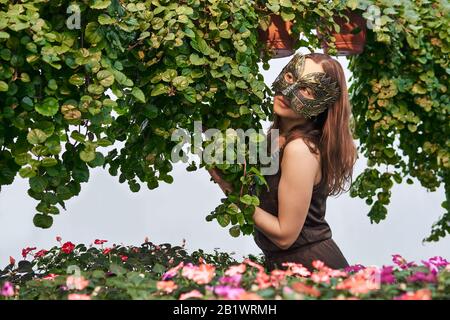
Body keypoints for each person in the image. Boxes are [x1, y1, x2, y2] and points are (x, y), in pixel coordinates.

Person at [208, 52, 357, 272]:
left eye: (306, 89)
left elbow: (285, 235)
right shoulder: (275, 137)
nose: (289, 92)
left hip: (313, 271)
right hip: (288, 268)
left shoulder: (300, 150)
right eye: (290, 77)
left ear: (322, 104)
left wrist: (233, 191)